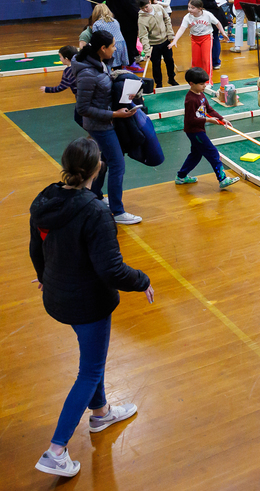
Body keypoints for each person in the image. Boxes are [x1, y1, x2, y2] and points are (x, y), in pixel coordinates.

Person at [29, 137, 154, 479]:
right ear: (98, 168)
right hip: (87, 302)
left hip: (57, 296)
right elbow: (111, 269)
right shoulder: (95, 211)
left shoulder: (46, 199)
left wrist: (44, 276)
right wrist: (143, 280)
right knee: (89, 370)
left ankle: (100, 413)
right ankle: (56, 450)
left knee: (92, 361)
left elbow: (35, 247)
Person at [72, 31, 141, 225]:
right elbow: (83, 108)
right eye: (112, 45)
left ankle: (95, 196)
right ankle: (118, 211)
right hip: (100, 125)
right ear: (102, 48)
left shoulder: (99, 63)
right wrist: (114, 115)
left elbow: (101, 91)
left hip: (105, 121)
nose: (115, 48)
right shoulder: (87, 73)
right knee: (117, 163)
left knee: (104, 161)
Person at [173, 67, 241, 189]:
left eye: (205, 83)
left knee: (196, 154)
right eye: (201, 84)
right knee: (212, 152)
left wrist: (221, 118)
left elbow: (209, 109)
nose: (204, 86)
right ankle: (222, 179)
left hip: (198, 130)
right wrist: (207, 120)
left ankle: (181, 176)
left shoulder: (201, 94)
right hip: (194, 131)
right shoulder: (190, 100)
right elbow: (190, 120)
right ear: (191, 84)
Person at [170, 0, 228, 79]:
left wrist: (223, 33)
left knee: (206, 60)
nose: (190, 9)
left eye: (193, 8)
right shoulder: (187, 17)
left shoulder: (207, 15)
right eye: (189, 7)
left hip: (206, 38)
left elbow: (217, 23)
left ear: (200, 8)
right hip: (195, 39)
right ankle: (196, 79)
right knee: (195, 61)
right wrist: (175, 40)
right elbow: (181, 29)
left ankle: (208, 80)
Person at [189, 0, 230, 69]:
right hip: (217, 12)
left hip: (205, 13)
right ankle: (215, 62)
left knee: (204, 39)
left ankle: (206, 62)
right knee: (215, 37)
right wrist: (216, 3)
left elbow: (196, 0)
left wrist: (210, 4)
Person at [105, 0, 142, 64]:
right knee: (129, 40)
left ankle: (129, 59)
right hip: (126, 20)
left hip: (121, 18)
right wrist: (139, 16)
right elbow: (130, 5)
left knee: (128, 40)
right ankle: (130, 63)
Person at [136, 0, 176, 88]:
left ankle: (171, 79)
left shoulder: (159, 8)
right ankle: (159, 83)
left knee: (169, 61)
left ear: (149, 2)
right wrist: (146, 50)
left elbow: (167, 20)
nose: (145, 9)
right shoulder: (141, 19)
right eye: (142, 8)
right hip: (153, 45)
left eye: (146, 6)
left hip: (165, 40)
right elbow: (143, 36)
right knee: (156, 64)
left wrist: (170, 34)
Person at [88, 4, 130, 68]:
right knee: (118, 68)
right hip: (120, 45)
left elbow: (96, 39)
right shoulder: (115, 21)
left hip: (108, 46)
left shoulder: (97, 24)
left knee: (107, 66)